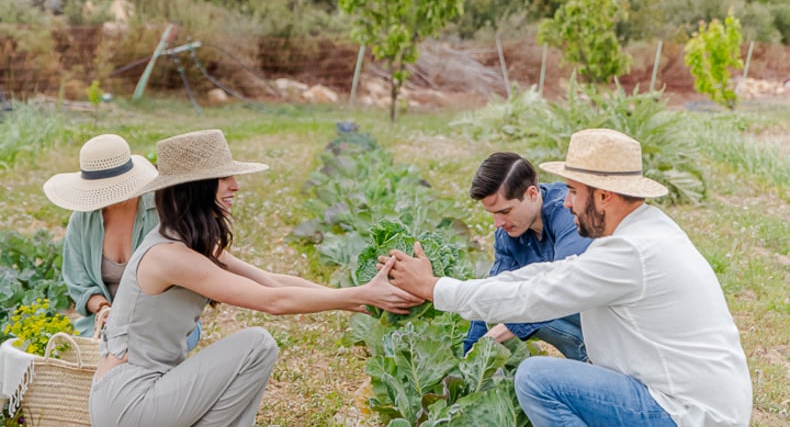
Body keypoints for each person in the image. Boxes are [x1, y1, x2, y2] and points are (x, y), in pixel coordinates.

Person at [381, 128, 752, 426]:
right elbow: (545, 275)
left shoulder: (629, 252)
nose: (567, 201)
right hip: (692, 399)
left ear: (604, 196)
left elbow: (539, 295)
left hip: (687, 413)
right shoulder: (642, 232)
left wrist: (434, 289)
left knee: (537, 378)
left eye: (574, 191)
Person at [88, 129, 422, 427]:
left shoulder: (190, 242)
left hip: (152, 389)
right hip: (128, 402)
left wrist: (359, 298)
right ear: (196, 188)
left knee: (257, 355)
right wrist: (359, 295)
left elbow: (271, 282)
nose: (235, 185)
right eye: (223, 178)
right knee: (257, 345)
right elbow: (272, 302)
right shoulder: (168, 256)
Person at [42, 134, 202, 350]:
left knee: (132, 357)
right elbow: (78, 283)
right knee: (102, 356)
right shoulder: (82, 220)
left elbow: (185, 274)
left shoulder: (162, 212)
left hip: (163, 321)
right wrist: (103, 309)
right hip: (105, 326)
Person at [463, 152, 591, 360]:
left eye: (505, 211)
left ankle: (594, 358)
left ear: (532, 193)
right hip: (576, 318)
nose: (498, 223)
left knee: (530, 304)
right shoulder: (507, 235)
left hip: (608, 321)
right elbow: (492, 293)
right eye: (493, 214)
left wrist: (501, 331)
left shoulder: (568, 214)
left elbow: (566, 283)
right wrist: (469, 354)